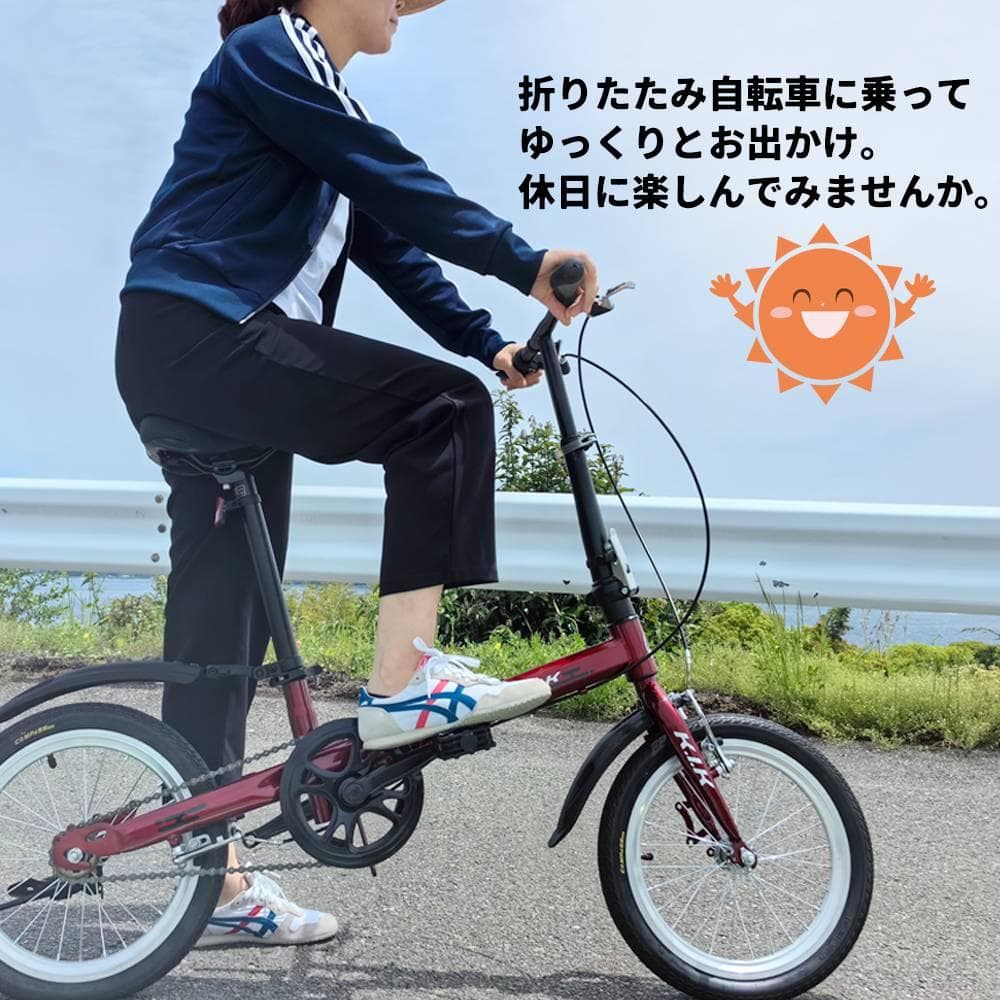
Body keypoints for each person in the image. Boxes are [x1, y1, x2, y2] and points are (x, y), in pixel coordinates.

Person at [114, 0, 598, 948]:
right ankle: (404, 679)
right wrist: (522, 260)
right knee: (439, 411)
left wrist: (488, 341)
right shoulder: (273, 50)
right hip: (203, 333)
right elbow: (390, 175)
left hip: (203, 354)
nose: (403, 9)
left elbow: (393, 246)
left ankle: (210, 880)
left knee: (226, 630)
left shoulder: (319, 105)